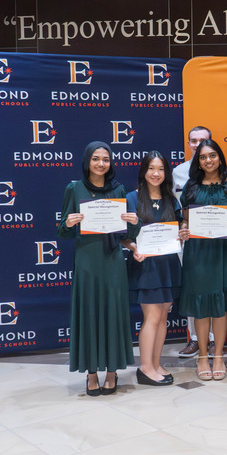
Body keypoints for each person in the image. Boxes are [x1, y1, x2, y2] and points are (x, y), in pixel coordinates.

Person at [58, 141, 140, 396]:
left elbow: (128, 233)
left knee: (113, 314)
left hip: (112, 259)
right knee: (90, 313)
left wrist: (134, 223)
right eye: (96, 159)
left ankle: (112, 372)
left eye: (105, 159)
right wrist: (69, 222)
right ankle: (91, 373)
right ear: (87, 161)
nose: (101, 163)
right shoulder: (74, 188)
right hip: (87, 260)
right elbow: (62, 231)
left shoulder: (119, 190)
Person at [179, 139, 227, 381]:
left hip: (223, 250)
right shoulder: (191, 187)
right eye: (203, 157)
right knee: (200, 304)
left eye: (212, 155)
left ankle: (218, 356)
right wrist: (184, 229)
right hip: (197, 252)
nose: (208, 160)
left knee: (218, 304)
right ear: (198, 161)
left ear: (220, 157)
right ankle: (203, 357)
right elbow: (186, 221)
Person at [122, 151, 188, 385]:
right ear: (144, 171)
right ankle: (145, 368)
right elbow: (123, 235)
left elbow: (180, 228)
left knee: (162, 319)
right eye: (151, 168)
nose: (156, 173)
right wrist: (132, 247)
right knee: (151, 317)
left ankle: (156, 363)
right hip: (145, 264)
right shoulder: (131, 198)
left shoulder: (171, 199)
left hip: (168, 263)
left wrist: (183, 234)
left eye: (160, 169)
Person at [172, 125, 213, 358]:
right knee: (192, 287)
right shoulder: (178, 172)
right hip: (188, 239)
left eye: (202, 140)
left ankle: (215, 340)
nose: (197, 145)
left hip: (215, 238)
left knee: (213, 287)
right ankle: (196, 339)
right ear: (188, 144)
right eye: (193, 141)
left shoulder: (221, 172)